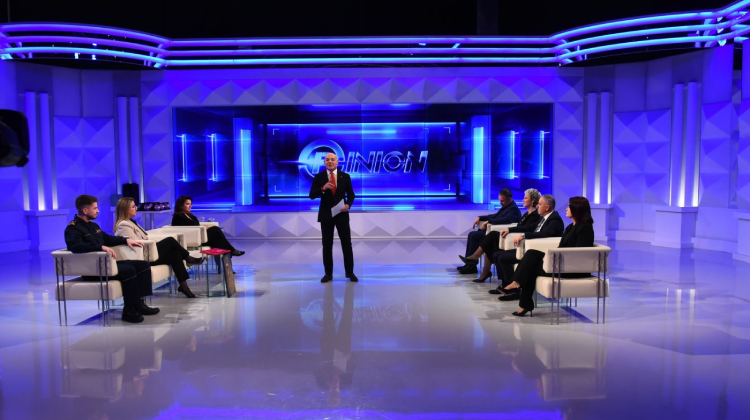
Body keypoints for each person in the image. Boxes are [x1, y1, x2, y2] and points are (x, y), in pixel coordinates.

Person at [64, 194, 160, 324]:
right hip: (92, 269)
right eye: (95, 208)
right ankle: (129, 310)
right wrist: (100, 247)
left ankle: (139, 303)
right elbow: (75, 246)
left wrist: (126, 240)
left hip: (106, 264)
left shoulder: (93, 226)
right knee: (129, 270)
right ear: (85, 210)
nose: (98, 211)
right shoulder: (73, 228)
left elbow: (108, 238)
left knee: (142, 265)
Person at [500, 196, 595, 317]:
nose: (566, 209)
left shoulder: (585, 228)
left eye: (569, 207)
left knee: (531, 268)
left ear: (577, 209)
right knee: (531, 253)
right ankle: (517, 286)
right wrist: (550, 257)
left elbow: (579, 253)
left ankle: (522, 299)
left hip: (572, 268)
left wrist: (553, 257)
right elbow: (562, 247)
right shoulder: (571, 227)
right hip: (562, 262)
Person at [114, 197, 204, 298]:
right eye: (133, 206)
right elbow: (135, 243)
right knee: (170, 241)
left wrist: (154, 243)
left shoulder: (131, 222)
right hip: (142, 257)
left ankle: (184, 287)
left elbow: (144, 237)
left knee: (175, 254)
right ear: (125, 209)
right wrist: (153, 244)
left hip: (147, 251)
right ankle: (188, 258)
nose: (136, 208)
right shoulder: (123, 225)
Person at [489, 194, 565, 298]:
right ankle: (506, 285)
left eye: (539, 204)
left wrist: (524, 236)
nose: (537, 206)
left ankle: (514, 290)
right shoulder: (543, 218)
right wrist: (510, 230)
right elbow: (529, 227)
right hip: (530, 247)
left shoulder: (555, 220)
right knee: (497, 254)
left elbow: (544, 234)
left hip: (539, 250)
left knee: (503, 257)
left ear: (547, 207)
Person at [458, 188, 542, 283]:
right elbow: (497, 216)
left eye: (525, 198)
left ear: (532, 200)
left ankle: (475, 260)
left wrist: (509, 229)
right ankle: (478, 265)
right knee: (488, 239)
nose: (523, 200)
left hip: (516, 240)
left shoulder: (532, 215)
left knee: (491, 237)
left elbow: (525, 228)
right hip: (512, 237)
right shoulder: (526, 214)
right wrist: (481, 218)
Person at [309, 152, 357, 283]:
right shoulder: (319, 177)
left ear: (337, 162)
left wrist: (348, 205)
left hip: (341, 214)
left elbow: (351, 195)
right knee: (327, 245)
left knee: (346, 244)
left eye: (332, 159)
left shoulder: (345, 176)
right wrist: (323, 188)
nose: (330, 161)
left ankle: (350, 272)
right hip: (326, 215)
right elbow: (311, 195)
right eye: (327, 160)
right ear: (324, 162)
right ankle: (328, 274)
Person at [457, 188, 522, 274]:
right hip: (492, 231)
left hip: (498, 234)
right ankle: (469, 264)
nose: (500, 202)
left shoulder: (514, 209)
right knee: (472, 234)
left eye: (502, 201)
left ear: (509, 199)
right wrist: (481, 217)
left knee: (475, 236)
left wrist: (489, 221)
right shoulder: (505, 207)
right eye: (499, 200)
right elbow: (495, 216)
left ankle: (471, 266)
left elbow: (505, 219)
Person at [171, 195, 245, 257]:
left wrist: (203, 227)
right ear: (181, 205)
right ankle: (231, 251)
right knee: (216, 230)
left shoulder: (190, 215)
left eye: (190, 204)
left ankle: (226, 261)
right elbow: (183, 229)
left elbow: (195, 225)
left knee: (218, 240)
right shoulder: (178, 217)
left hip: (200, 236)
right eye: (187, 204)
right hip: (194, 239)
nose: (190, 206)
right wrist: (202, 228)